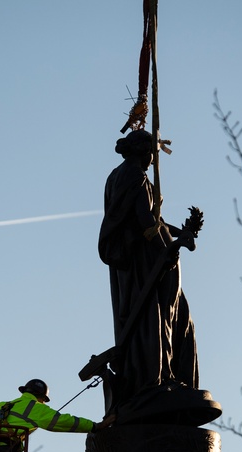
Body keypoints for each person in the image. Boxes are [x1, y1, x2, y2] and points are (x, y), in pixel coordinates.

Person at [97, 129, 199, 409]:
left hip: (131, 260)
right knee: (155, 315)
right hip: (143, 259)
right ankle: (156, 378)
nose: (154, 160)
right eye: (153, 154)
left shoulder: (116, 175)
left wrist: (180, 234)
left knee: (147, 316)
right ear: (144, 152)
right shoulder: (136, 176)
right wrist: (165, 250)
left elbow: (154, 219)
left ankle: (152, 376)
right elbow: (146, 221)